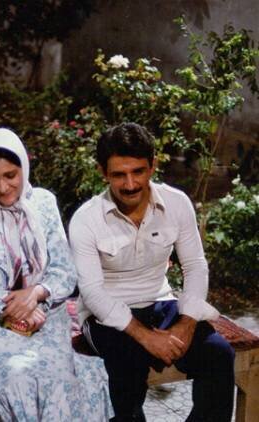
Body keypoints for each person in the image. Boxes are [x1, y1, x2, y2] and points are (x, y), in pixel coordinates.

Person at [0, 128, 113, 421]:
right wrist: (9, 302)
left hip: (44, 319)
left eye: (10, 175)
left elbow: (64, 272)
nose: (2, 187)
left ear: (24, 167)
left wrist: (36, 293)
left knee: (60, 376)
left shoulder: (42, 204)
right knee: (19, 374)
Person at [69, 122, 235, 422]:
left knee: (218, 354)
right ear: (102, 172)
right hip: (105, 316)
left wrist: (186, 324)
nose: (130, 184)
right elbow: (92, 292)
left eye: (139, 171)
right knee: (128, 363)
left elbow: (195, 265)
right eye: (119, 174)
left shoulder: (177, 203)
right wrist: (145, 337)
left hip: (161, 303)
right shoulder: (86, 219)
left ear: (153, 166)